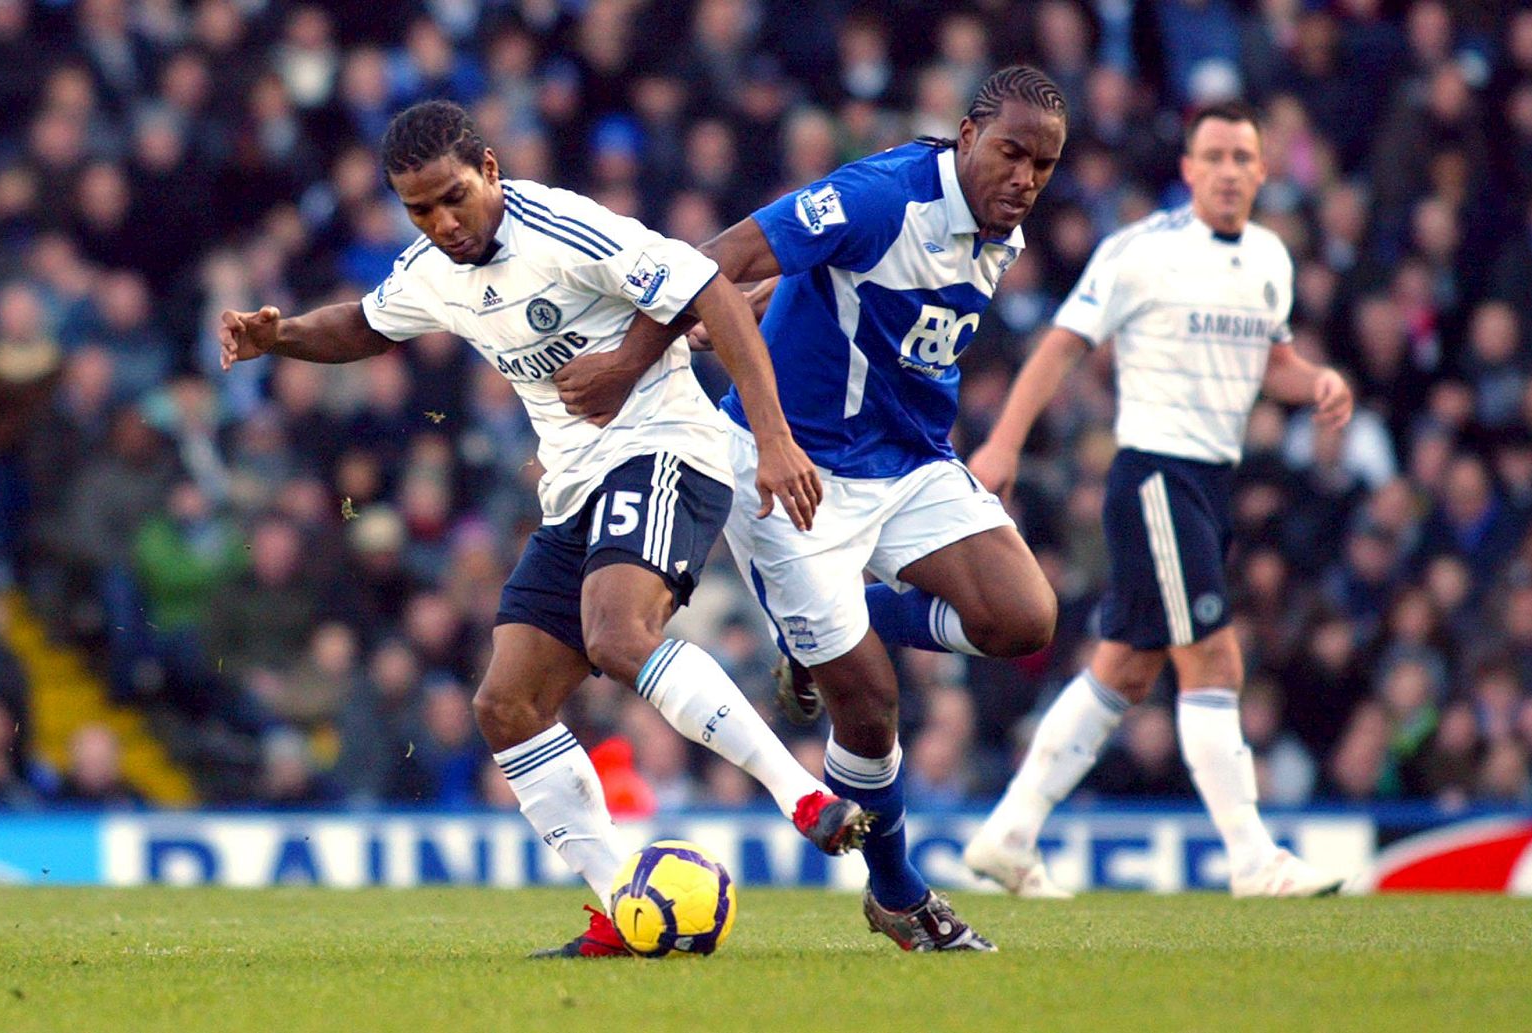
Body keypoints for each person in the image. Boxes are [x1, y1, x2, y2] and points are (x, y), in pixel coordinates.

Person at [217, 100, 868, 957]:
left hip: (668, 445)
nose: (442, 222)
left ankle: (804, 796)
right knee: (505, 703)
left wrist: (775, 441)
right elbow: (368, 324)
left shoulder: (565, 228)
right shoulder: (431, 269)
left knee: (616, 632)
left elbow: (712, 291)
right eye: (418, 209)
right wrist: (283, 337)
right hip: (574, 487)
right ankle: (625, 912)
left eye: (454, 197)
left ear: (489, 168)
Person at [555, 66, 1067, 951]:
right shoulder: (879, 195)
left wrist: (762, 304)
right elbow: (712, 258)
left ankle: (824, 631)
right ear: (968, 134)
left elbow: (834, 288)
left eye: (1044, 165)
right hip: (790, 465)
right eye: (1012, 152)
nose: (1025, 177)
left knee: (1026, 618)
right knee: (869, 704)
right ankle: (900, 894)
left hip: (909, 459)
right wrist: (630, 360)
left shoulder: (998, 227)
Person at [960, 101, 1353, 898]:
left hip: (1213, 482)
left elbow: (1268, 359)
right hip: (1156, 475)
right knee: (1213, 655)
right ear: (1189, 168)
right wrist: (1001, 445)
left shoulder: (1271, 259)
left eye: (1244, 156)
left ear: (1262, 168)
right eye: (1214, 155)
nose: (1230, 170)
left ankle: (1008, 833)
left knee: (1127, 670)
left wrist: (1312, 379)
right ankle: (1251, 856)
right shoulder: (1140, 252)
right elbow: (1062, 345)